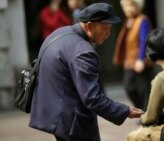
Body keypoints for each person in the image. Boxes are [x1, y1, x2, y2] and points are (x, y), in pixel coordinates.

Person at [29, 3, 144, 141]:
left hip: (53, 113)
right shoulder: (84, 51)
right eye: (105, 28)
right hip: (71, 122)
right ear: (89, 26)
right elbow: (92, 98)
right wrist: (125, 111)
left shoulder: (59, 33)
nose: (108, 34)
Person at [113, 0, 153, 111]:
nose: (127, 9)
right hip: (129, 61)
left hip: (140, 62)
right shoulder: (129, 21)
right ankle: (142, 110)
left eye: (130, 5)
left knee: (143, 89)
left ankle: (146, 113)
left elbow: (143, 40)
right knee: (129, 87)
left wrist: (140, 59)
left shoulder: (142, 20)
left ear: (138, 6)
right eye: (125, 6)